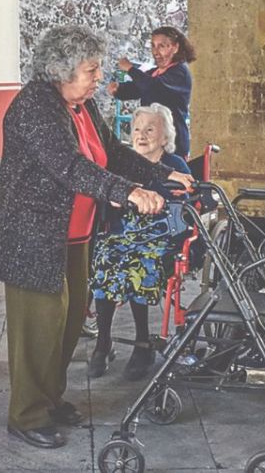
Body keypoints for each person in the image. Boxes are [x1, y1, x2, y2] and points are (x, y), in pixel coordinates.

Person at [0, 25, 194, 449]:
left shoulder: (80, 105)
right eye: (91, 70)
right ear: (61, 70)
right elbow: (68, 166)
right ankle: (26, 414)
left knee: (67, 322)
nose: (99, 78)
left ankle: (50, 399)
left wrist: (162, 174)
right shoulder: (35, 106)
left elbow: (112, 153)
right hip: (33, 234)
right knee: (39, 327)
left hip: (74, 233)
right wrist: (128, 192)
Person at [88, 104, 191, 380]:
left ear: (165, 136)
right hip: (124, 234)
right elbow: (107, 208)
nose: (141, 135)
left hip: (163, 238)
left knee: (140, 261)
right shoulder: (123, 165)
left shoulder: (176, 166)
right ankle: (103, 342)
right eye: (136, 129)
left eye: (150, 129)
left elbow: (185, 212)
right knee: (106, 256)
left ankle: (143, 343)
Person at [108, 25, 196, 157]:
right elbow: (137, 88)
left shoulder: (179, 72)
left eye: (161, 46)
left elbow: (154, 88)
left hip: (172, 141)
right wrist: (118, 89)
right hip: (152, 139)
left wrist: (131, 69)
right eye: (153, 46)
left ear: (175, 47)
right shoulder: (156, 72)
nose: (155, 51)